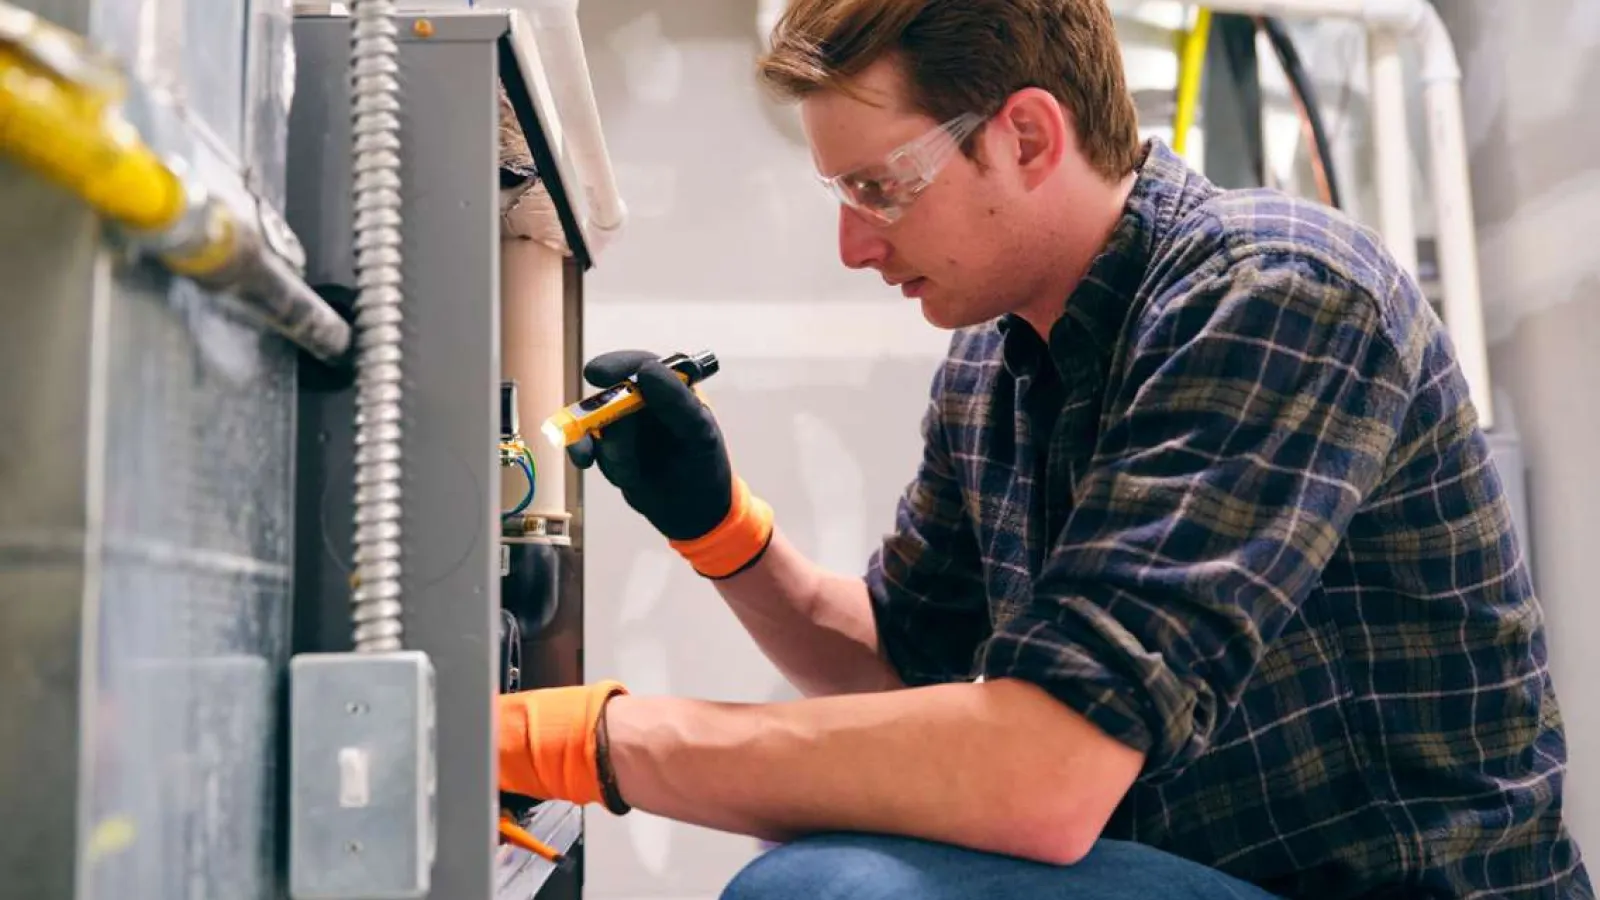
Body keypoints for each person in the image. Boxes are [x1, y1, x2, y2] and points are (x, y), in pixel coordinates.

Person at [495, 1, 1591, 897]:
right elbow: (899, 660)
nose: (853, 242)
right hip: (1187, 871)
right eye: (840, 193)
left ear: (1025, 135)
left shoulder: (1277, 294)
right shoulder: (995, 361)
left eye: (878, 187)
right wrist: (723, 531)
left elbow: (1042, 775)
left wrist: (594, 743)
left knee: (824, 893)